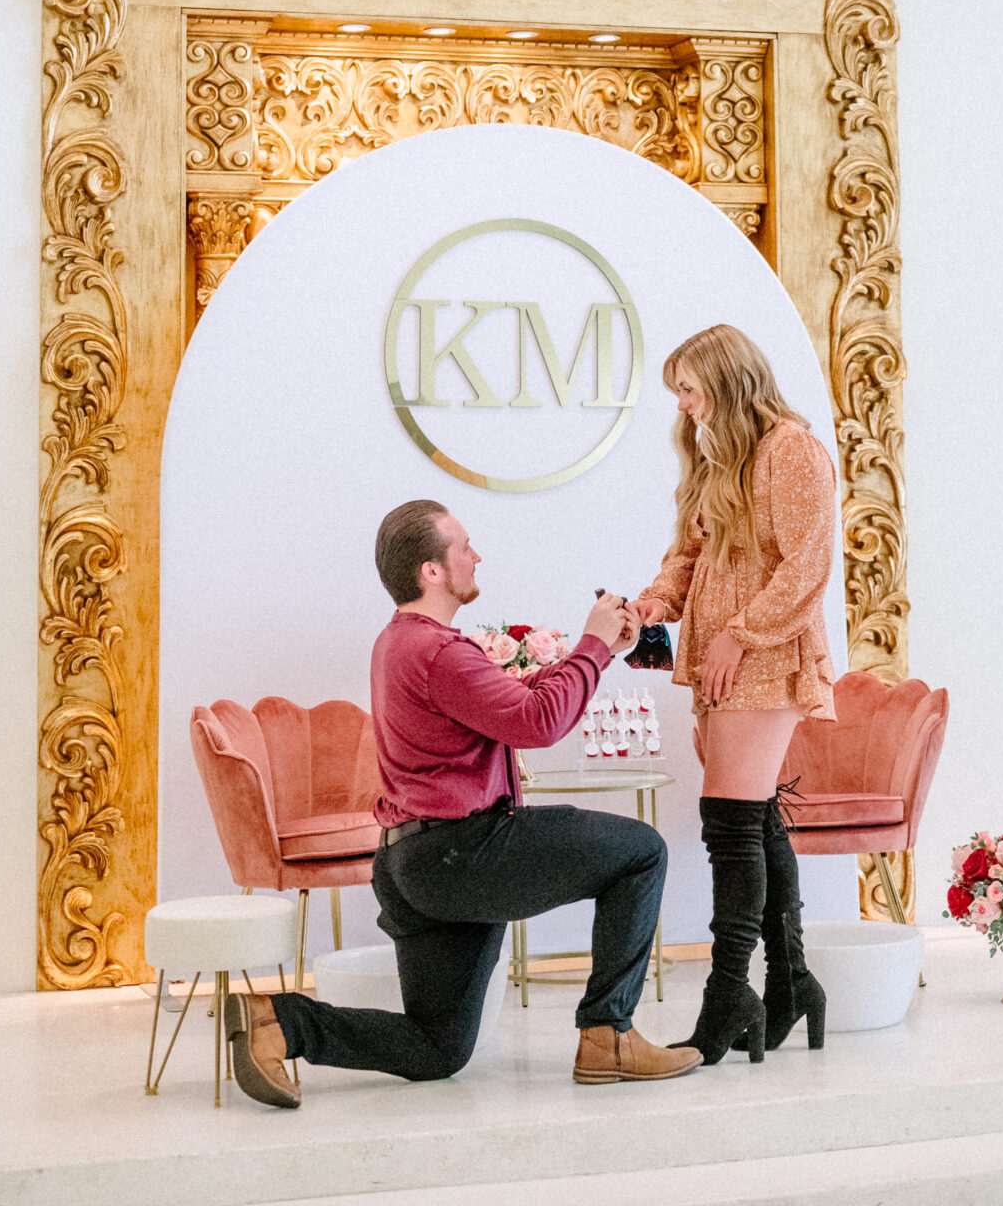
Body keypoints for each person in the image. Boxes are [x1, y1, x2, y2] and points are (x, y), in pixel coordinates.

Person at [225, 498, 702, 1106]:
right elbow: (538, 722)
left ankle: (279, 1022)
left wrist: (598, 652)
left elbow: (498, 705)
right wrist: (592, 645)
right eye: (464, 547)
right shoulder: (438, 650)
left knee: (437, 1047)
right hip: (463, 853)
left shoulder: (400, 643)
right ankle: (608, 1034)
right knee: (642, 851)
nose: (476, 556)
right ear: (431, 570)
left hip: (412, 863)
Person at [632, 323, 836, 1066]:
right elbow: (688, 551)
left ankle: (729, 993)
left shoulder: (791, 450)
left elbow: (806, 567)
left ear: (728, 380)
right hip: (719, 663)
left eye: (689, 388)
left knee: (728, 824)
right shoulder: (713, 450)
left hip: (764, 656)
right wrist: (657, 602)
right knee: (752, 820)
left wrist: (740, 633)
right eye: (678, 392)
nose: (683, 405)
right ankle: (790, 981)